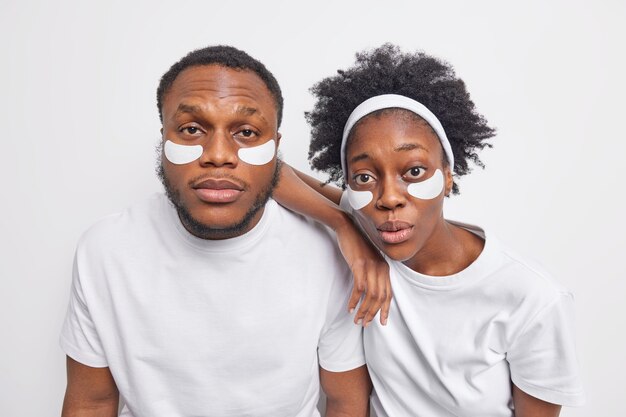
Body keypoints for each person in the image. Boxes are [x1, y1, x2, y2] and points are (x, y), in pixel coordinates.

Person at [59, 45, 382, 417]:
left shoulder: (328, 255)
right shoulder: (105, 251)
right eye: (192, 129)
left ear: (275, 149)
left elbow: (345, 402)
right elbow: (92, 402)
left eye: (245, 132)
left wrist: (343, 225)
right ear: (164, 138)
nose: (218, 154)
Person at [278, 44, 585, 416]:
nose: (389, 197)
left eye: (414, 171)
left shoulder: (532, 298)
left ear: (447, 176)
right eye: (364, 176)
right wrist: (344, 227)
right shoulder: (364, 220)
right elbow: (265, 170)